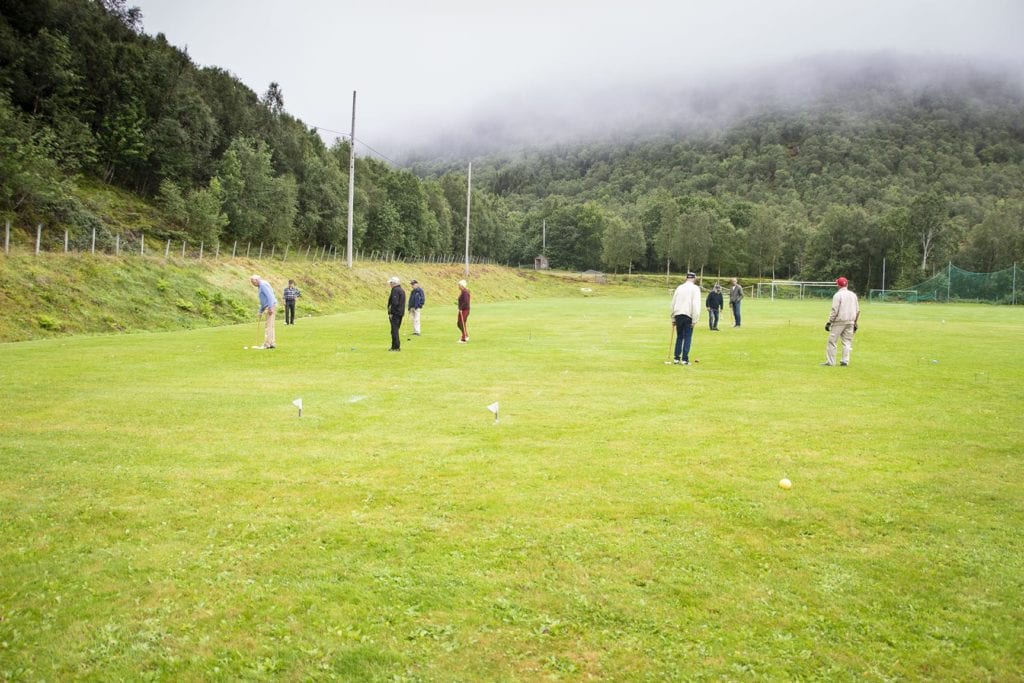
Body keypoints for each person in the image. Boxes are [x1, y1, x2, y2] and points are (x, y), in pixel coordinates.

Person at [823, 276, 860, 367]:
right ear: (847, 284)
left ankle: (831, 362)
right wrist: (855, 322)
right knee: (847, 342)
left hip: (839, 321)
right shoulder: (853, 295)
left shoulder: (837, 295)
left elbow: (834, 310)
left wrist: (829, 322)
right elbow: (858, 310)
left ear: (838, 285)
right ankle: (845, 361)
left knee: (832, 341)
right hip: (850, 321)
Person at [670, 272, 702, 364]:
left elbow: (673, 303)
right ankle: (684, 359)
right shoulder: (695, 288)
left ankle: (676, 358)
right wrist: (695, 319)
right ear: (694, 278)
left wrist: (673, 318)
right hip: (688, 315)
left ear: (686, 278)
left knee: (679, 337)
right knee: (687, 337)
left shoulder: (679, 287)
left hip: (678, 315)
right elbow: (696, 305)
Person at [249, 274, 277, 349]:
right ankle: (271, 343)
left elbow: (270, 296)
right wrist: (260, 311)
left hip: (270, 306)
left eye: (253, 282)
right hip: (268, 306)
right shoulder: (260, 285)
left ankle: (267, 344)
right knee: (270, 325)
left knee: (268, 325)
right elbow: (263, 300)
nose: (252, 284)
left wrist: (270, 307)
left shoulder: (263, 285)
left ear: (257, 280)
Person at [386, 276, 405, 351]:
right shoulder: (401, 290)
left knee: (394, 330)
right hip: (400, 313)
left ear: (394, 283)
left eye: (391, 283)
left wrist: (391, 312)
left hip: (395, 313)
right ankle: (395, 346)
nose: (390, 284)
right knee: (395, 330)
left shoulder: (395, 290)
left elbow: (394, 303)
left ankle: (396, 347)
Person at [456, 279, 471, 343]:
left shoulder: (465, 292)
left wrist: (461, 308)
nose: (458, 286)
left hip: (464, 310)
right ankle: (465, 335)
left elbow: (466, 302)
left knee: (461, 323)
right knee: (459, 323)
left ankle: (464, 338)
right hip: (462, 309)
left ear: (462, 285)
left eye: (459, 285)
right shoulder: (463, 291)